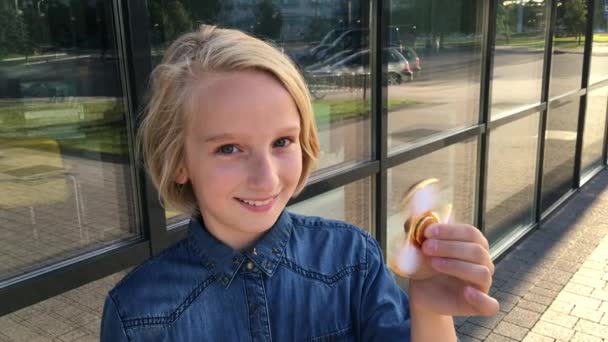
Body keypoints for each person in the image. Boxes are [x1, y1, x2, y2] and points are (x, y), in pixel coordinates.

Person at [100, 25, 498, 341]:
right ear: (179, 162)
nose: (266, 178)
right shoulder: (137, 311)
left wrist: (430, 309)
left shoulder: (351, 260)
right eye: (228, 148)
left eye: (282, 142)